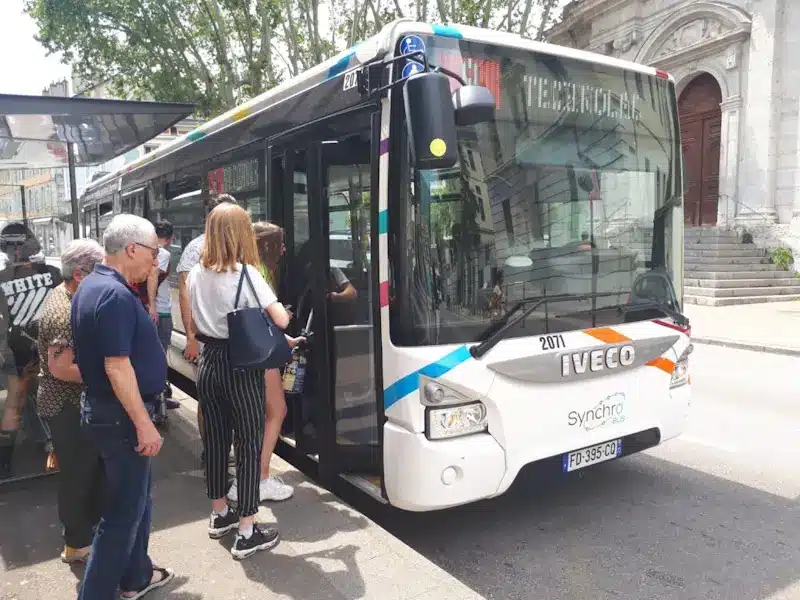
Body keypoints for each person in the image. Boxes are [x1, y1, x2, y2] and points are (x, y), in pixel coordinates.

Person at [188, 202, 302, 560]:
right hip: (241, 366)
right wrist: (284, 312)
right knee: (250, 445)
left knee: (217, 439)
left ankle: (220, 513)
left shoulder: (194, 274)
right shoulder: (247, 274)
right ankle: (248, 529)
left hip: (209, 361)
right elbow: (281, 320)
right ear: (241, 234)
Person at [72, 214, 174, 600]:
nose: (156, 261)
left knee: (136, 501)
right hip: (121, 418)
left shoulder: (91, 286)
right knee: (121, 515)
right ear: (132, 249)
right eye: (154, 251)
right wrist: (144, 423)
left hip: (106, 412)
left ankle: (136, 576)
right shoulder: (114, 295)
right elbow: (117, 365)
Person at [36, 239, 105, 565]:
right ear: (80, 274)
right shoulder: (64, 311)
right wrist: (109, 375)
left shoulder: (66, 296)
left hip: (68, 405)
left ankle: (83, 535)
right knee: (77, 475)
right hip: (66, 406)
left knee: (84, 471)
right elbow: (60, 368)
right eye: (98, 269)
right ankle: (77, 545)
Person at [226, 222, 293, 504]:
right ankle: (258, 478)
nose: (284, 249)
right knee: (276, 411)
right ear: (267, 246)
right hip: (259, 356)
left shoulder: (226, 270)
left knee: (251, 417)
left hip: (232, 353)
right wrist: (284, 333)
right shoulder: (257, 272)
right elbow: (275, 318)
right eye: (280, 243)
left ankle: (248, 479)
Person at [176, 193, 238, 464]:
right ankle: (211, 451)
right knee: (210, 400)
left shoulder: (238, 244)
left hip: (234, 337)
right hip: (207, 337)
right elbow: (185, 293)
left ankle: (227, 450)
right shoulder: (196, 248)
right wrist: (190, 336)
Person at [0, 222, 63, 479]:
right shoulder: (54, 273)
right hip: (52, 345)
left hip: (17, 348)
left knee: (14, 403)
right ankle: (61, 453)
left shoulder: (2, 280)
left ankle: (5, 465)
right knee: (59, 400)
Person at [147, 220, 179, 412]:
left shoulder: (147, 250)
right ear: (170, 238)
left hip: (153, 310)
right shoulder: (163, 253)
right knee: (159, 357)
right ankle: (158, 404)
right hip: (161, 312)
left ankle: (159, 399)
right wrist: (153, 305)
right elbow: (152, 277)